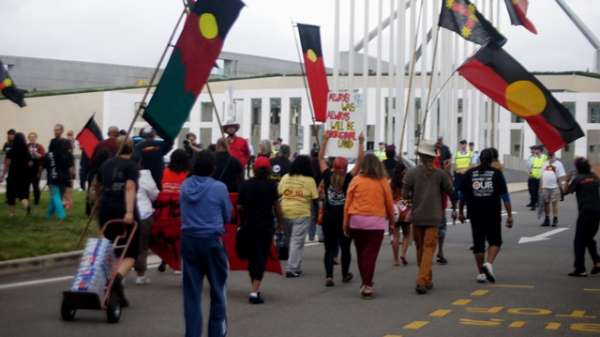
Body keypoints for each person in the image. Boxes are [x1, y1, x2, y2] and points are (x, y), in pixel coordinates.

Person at [180, 150, 232, 337]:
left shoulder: (185, 186)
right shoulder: (219, 187)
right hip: (212, 240)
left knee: (191, 293)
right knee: (218, 290)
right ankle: (216, 332)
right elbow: (227, 216)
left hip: (189, 240)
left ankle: (192, 333)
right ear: (213, 168)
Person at [403, 140, 455, 295]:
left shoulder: (411, 173)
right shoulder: (440, 174)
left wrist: (411, 202)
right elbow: (451, 191)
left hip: (417, 216)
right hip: (433, 216)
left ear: (420, 156)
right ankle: (424, 279)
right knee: (428, 249)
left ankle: (424, 278)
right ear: (433, 157)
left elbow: (405, 195)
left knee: (420, 250)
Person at [97, 136, 140, 308]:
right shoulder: (132, 166)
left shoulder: (106, 164)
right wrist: (129, 211)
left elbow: (98, 186)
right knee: (131, 253)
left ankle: (115, 288)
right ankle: (118, 278)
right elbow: (129, 187)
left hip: (106, 209)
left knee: (112, 249)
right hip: (122, 210)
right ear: (132, 148)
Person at [343, 153, 395, 298]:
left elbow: (347, 204)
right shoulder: (382, 181)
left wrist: (345, 223)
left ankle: (365, 282)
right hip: (376, 222)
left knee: (361, 254)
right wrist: (391, 221)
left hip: (356, 220)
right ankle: (367, 285)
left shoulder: (356, 180)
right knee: (370, 255)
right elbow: (389, 204)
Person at [459, 148, 513, 284]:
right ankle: (489, 263)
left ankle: (480, 274)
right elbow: (505, 196)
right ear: (492, 160)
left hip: (475, 213)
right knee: (495, 241)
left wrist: (460, 211)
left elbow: (462, 195)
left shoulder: (469, 174)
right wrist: (510, 215)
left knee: (478, 243)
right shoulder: (497, 174)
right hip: (492, 212)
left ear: (479, 159)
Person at [319, 133, 364, 287]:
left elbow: (320, 159)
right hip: (344, 220)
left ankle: (329, 276)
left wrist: (325, 140)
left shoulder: (326, 176)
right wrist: (361, 142)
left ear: (333, 167)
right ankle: (345, 274)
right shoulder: (349, 179)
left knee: (329, 249)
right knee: (345, 248)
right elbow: (360, 161)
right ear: (345, 168)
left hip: (328, 218)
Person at [238, 156, 283, 304]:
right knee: (261, 257)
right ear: (269, 169)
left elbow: (239, 207)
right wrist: (281, 223)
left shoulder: (245, 185)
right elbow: (277, 207)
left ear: (254, 169)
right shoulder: (272, 186)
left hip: (248, 225)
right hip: (265, 226)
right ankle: (254, 291)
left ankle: (254, 288)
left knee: (252, 258)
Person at [279, 155, 319, 278]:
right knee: (297, 241)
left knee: (291, 239)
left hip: (285, 211)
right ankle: (292, 268)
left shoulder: (286, 177)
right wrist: (316, 214)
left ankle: (297, 266)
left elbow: (279, 192)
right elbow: (315, 199)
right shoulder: (310, 180)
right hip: (301, 213)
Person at [155, 149, 191, 273]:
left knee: (166, 236)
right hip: (180, 210)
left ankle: (164, 260)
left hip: (163, 208)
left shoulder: (164, 172)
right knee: (179, 238)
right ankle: (178, 264)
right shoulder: (188, 174)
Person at [564, 157, 600, 277]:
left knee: (579, 241)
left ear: (578, 168)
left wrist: (567, 179)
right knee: (589, 239)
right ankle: (597, 262)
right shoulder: (595, 177)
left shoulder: (578, 179)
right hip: (597, 212)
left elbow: (565, 192)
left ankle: (580, 269)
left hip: (585, 212)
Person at [135, 160, 160, 285]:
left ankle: (120, 274)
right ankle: (140, 274)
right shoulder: (144, 175)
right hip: (143, 214)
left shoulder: (117, 171)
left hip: (121, 213)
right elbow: (155, 195)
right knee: (142, 246)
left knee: (123, 246)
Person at [3, 132, 32, 216]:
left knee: (11, 195)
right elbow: (30, 163)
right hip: (24, 176)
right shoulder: (26, 151)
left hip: (13, 176)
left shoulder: (11, 152)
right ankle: (27, 206)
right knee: (22, 195)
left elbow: (7, 164)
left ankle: (12, 213)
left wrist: (3, 174)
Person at [45, 136, 75, 218]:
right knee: (57, 197)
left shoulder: (49, 154)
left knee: (55, 197)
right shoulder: (66, 154)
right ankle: (53, 215)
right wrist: (71, 178)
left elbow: (45, 165)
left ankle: (57, 215)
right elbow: (70, 168)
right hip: (63, 178)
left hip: (52, 178)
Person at [390, 160, 410, 267]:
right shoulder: (406, 182)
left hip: (394, 211)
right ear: (403, 172)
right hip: (404, 209)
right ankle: (403, 254)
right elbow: (410, 197)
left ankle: (395, 259)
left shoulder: (391, 184)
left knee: (395, 235)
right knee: (407, 234)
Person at [539, 152, 566, 227]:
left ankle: (555, 218)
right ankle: (547, 219)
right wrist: (541, 187)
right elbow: (541, 175)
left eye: (551, 154)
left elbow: (561, 176)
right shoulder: (544, 163)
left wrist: (562, 186)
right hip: (545, 187)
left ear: (554, 155)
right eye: (549, 154)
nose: (550, 156)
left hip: (555, 187)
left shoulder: (559, 164)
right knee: (546, 203)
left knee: (554, 203)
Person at [27, 132, 45, 205]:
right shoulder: (26, 146)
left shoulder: (39, 146)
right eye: (30, 137)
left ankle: (36, 201)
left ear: (36, 138)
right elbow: (22, 156)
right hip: (27, 168)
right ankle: (26, 200)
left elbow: (42, 156)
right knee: (26, 185)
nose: (32, 138)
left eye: (33, 137)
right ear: (28, 138)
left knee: (35, 185)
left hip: (36, 168)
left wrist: (36, 154)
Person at [527, 145, 546, 211]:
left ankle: (540, 203)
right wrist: (530, 173)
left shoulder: (544, 157)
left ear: (540, 150)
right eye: (535, 150)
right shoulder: (534, 157)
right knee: (533, 191)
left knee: (540, 192)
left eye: (536, 149)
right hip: (533, 176)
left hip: (541, 177)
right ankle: (533, 205)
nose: (535, 151)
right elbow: (531, 166)